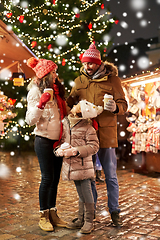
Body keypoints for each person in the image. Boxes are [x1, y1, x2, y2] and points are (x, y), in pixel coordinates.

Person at [66, 43, 128, 227]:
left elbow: (123, 104)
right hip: (86, 135)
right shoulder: (79, 81)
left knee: (110, 175)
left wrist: (116, 107)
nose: (88, 67)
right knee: (88, 175)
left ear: (98, 63)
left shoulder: (112, 80)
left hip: (106, 134)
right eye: (85, 64)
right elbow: (70, 103)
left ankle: (114, 211)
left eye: (91, 64)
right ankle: (89, 214)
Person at [25, 57, 67, 232]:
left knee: (55, 180)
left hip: (58, 140)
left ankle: (53, 213)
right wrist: (41, 103)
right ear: (45, 75)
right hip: (43, 139)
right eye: (53, 72)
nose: (56, 75)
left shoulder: (57, 92)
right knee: (47, 178)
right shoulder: (34, 92)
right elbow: (29, 120)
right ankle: (43, 215)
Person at [55, 100, 102, 234]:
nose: (74, 106)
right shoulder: (67, 124)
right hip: (72, 165)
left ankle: (88, 221)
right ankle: (81, 219)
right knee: (80, 193)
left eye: (77, 106)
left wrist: (76, 150)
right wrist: (59, 150)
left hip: (83, 166)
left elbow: (94, 146)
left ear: (80, 112)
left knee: (87, 193)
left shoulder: (88, 128)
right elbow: (63, 141)